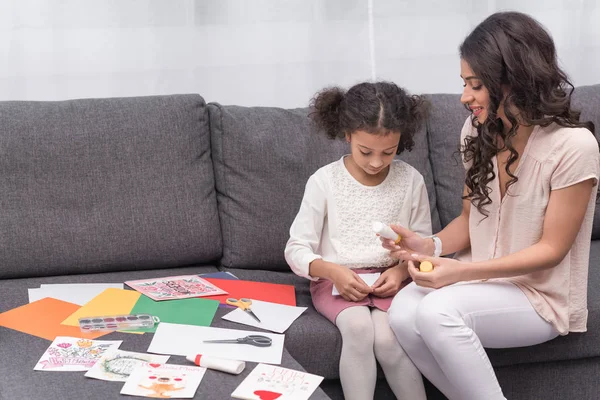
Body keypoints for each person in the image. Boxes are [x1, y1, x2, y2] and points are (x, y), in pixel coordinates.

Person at [383, 11, 600, 400]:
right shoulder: (478, 129)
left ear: (514, 81)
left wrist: (459, 275)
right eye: (464, 83)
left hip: (538, 296)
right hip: (482, 279)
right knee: (401, 313)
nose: (465, 97)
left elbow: (552, 251)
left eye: (476, 84)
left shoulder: (574, 147)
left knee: (437, 313)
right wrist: (428, 246)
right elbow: (470, 220)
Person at [285, 81, 431, 400]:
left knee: (390, 339)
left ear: (401, 141)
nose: (376, 162)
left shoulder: (411, 181)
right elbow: (296, 248)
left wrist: (402, 272)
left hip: (392, 280)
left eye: (388, 152)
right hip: (336, 279)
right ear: (348, 134)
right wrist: (333, 272)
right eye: (366, 151)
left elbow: (424, 245)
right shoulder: (324, 181)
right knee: (358, 328)